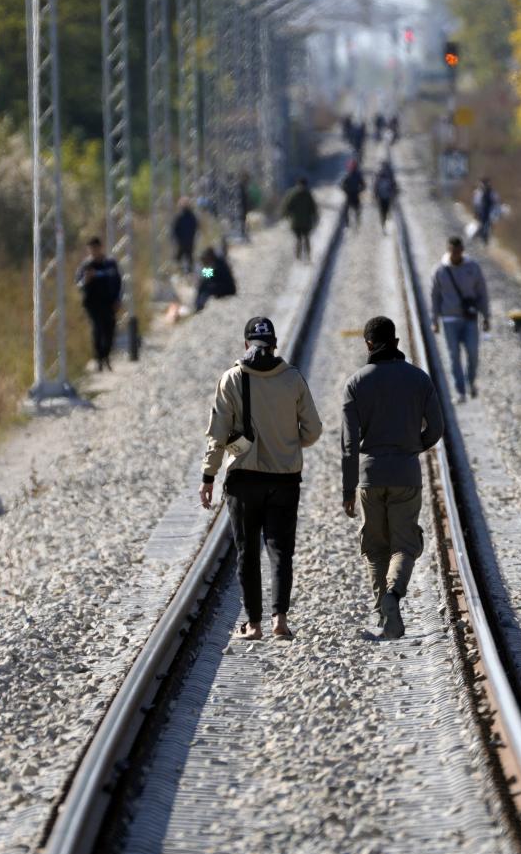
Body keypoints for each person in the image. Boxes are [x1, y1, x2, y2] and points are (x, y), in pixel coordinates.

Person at [201, 317, 323, 640]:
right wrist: (288, 443)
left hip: (243, 480)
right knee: (281, 550)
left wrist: (208, 476)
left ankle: (253, 624)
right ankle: (279, 621)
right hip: (284, 479)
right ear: (274, 346)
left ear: (246, 345)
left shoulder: (231, 379)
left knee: (247, 551)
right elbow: (314, 430)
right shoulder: (293, 379)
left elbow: (216, 435)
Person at [341, 316, 444, 639]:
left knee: (375, 548)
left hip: (370, 477)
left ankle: (386, 620)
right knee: (405, 545)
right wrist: (414, 447)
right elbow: (437, 429)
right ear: (395, 341)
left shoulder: (356, 383)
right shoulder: (419, 379)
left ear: (368, 344)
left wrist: (347, 489)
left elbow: (347, 445)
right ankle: (393, 596)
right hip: (406, 474)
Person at [430, 236, 491, 402]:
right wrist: (434, 320)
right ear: (448, 250)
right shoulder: (440, 270)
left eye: (458, 251)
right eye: (452, 251)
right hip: (449, 319)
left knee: (473, 352)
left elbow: (482, 293)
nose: (455, 254)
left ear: (462, 251)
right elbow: (435, 297)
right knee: (454, 356)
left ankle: (470, 382)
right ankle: (460, 391)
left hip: (469, 318)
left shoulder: (473, 267)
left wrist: (486, 316)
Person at [75, 236, 122, 371]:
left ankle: (106, 356)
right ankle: (99, 359)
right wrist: (86, 279)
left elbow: (118, 282)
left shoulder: (110, 263)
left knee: (110, 329)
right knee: (97, 329)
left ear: (100, 248)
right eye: (91, 249)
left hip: (109, 302)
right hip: (92, 303)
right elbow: (78, 283)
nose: (94, 251)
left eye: (96, 248)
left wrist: (118, 299)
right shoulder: (85, 266)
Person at [280, 176, 319, 261]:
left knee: (298, 239)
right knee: (306, 237)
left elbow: (287, 206)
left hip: (295, 222)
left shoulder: (292, 194)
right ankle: (308, 255)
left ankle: (298, 256)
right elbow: (313, 208)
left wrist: (286, 215)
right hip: (306, 222)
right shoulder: (308, 194)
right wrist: (315, 218)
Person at [194, 243, 237, 312]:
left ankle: (198, 306)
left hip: (227, 289)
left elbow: (207, 276)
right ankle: (198, 305)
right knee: (203, 284)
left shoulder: (218, 264)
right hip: (226, 287)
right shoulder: (218, 262)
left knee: (204, 285)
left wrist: (203, 269)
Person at [172, 198, 200, 274]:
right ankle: (187, 273)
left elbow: (175, 229)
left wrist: (178, 239)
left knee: (180, 258)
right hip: (188, 241)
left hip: (184, 241)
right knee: (187, 257)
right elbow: (196, 227)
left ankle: (182, 273)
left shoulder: (181, 217)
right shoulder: (191, 216)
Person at [340, 159, 366, 229]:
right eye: (351, 167)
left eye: (353, 167)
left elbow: (363, 185)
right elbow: (342, 185)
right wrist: (346, 190)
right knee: (346, 210)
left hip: (355, 195)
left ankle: (357, 222)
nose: (351, 168)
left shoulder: (357, 175)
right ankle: (348, 223)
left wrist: (359, 190)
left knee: (356, 209)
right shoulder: (348, 175)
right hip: (350, 195)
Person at [373, 160, 398, 232]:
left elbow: (394, 186)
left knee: (384, 211)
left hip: (386, 196)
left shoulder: (388, 175)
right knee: (384, 211)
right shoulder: (382, 175)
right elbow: (376, 186)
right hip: (383, 197)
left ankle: (385, 223)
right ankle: (384, 224)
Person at [472, 178, 498, 245]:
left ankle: (484, 238)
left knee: (487, 225)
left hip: (488, 211)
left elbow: (495, 201)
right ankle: (480, 237)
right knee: (481, 224)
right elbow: (476, 202)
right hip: (482, 210)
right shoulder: (479, 192)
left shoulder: (491, 192)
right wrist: (476, 211)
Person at [234, 173, 251, 242]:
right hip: (241, 206)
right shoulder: (240, 186)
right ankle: (242, 233)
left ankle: (244, 232)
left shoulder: (243, 186)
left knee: (244, 220)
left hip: (244, 206)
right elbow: (240, 197)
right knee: (242, 220)